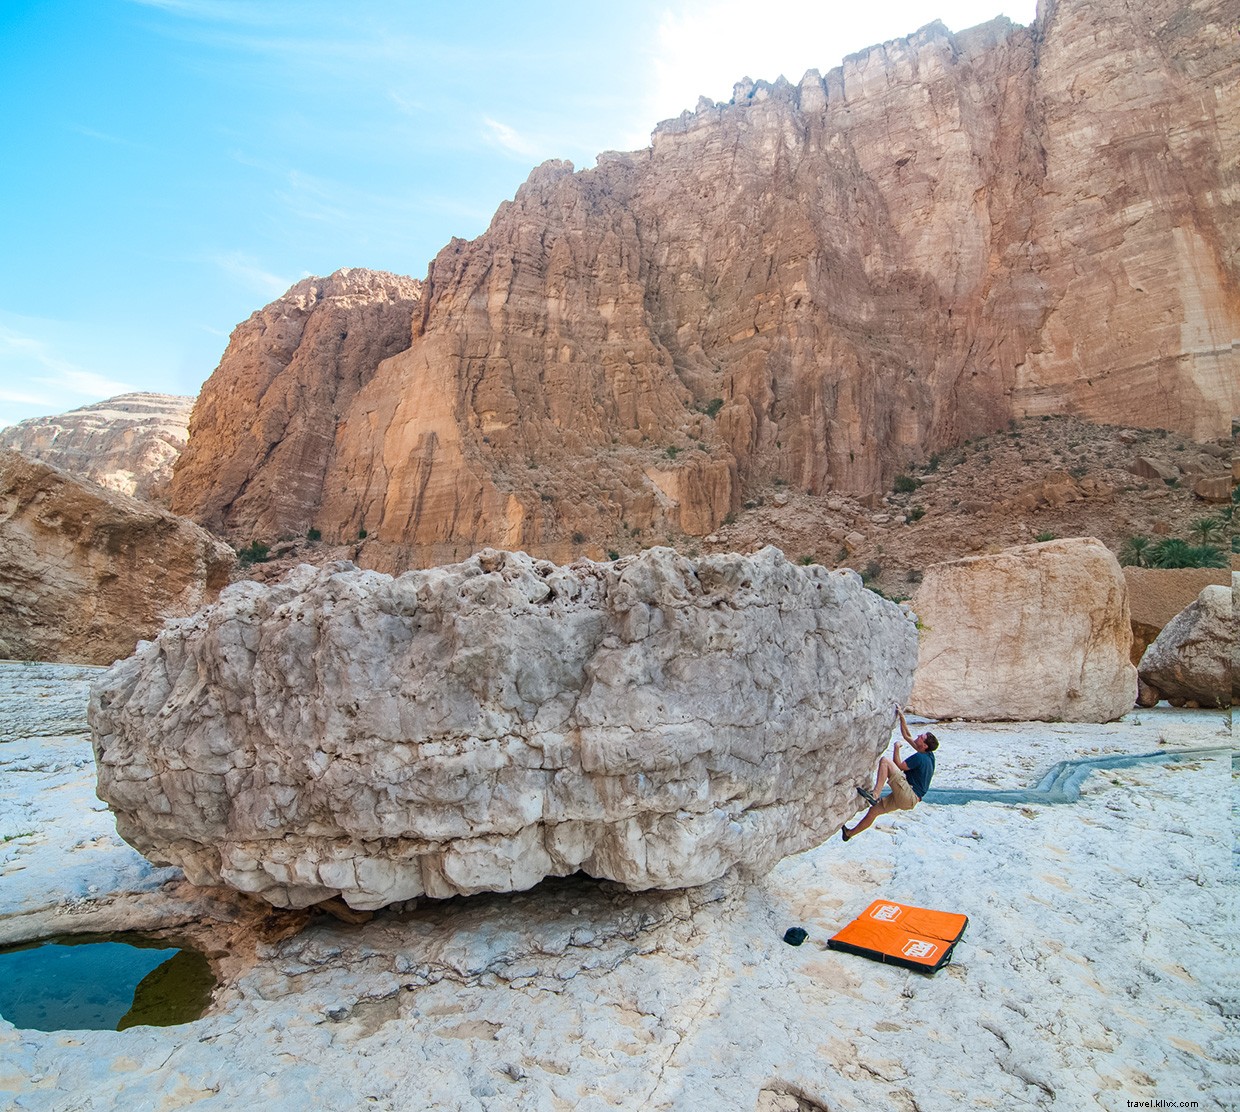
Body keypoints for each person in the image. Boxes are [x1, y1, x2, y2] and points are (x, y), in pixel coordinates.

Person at [841, 705, 938, 841]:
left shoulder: (920, 758)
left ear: (924, 745)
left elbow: (899, 765)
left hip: (908, 795)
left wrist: (896, 748)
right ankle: (848, 834)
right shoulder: (928, 755)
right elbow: (907, 735)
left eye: (921, 737)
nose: (918, 736)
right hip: (910, 800)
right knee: (874, 811)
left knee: (885, 762)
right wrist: (902, 718)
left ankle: (874, 794)